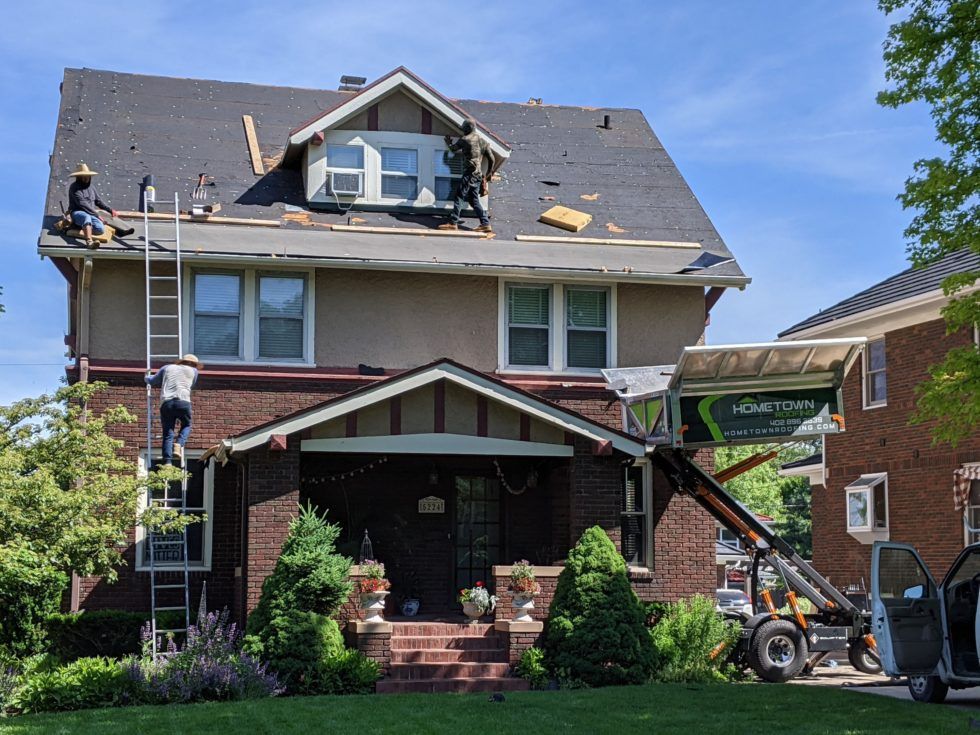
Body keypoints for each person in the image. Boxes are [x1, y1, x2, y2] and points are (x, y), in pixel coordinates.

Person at [438, 120, 497, 233]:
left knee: (459, 196)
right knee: (473, 199)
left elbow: (453, 150)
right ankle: (485, 224)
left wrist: (449, 143)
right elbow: (492, 159)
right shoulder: (483, 141)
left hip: (469, 173)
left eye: (464, 128)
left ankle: (453, 222)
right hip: (478, 175)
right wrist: (490, 173)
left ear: (469, 127)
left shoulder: (465, 139)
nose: (462, 130)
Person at [145, 354, 201, 465]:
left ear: (182, 362)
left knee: (168, 433)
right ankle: (179, 444)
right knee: (186, 425)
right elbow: (191, 385)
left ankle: (167, 462)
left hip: (167, 403)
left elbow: (151, 381)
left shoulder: (167, 368)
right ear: (194, 364)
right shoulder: (194, 372)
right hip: (183, 402)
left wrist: (146, 375)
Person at [67, 163, 133, 247]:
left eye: (87, 176)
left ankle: (82, 227)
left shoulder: (91, 187)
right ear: (79, 177)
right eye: (83, 176)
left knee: (100, 229)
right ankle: (89, 241)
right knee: (86, 217)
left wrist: (110, 210)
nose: (86, 178)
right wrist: (97, 216)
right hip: (78, 212)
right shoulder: (74, 188)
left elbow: (98, 201)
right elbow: (83, 204)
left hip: (91, 214)